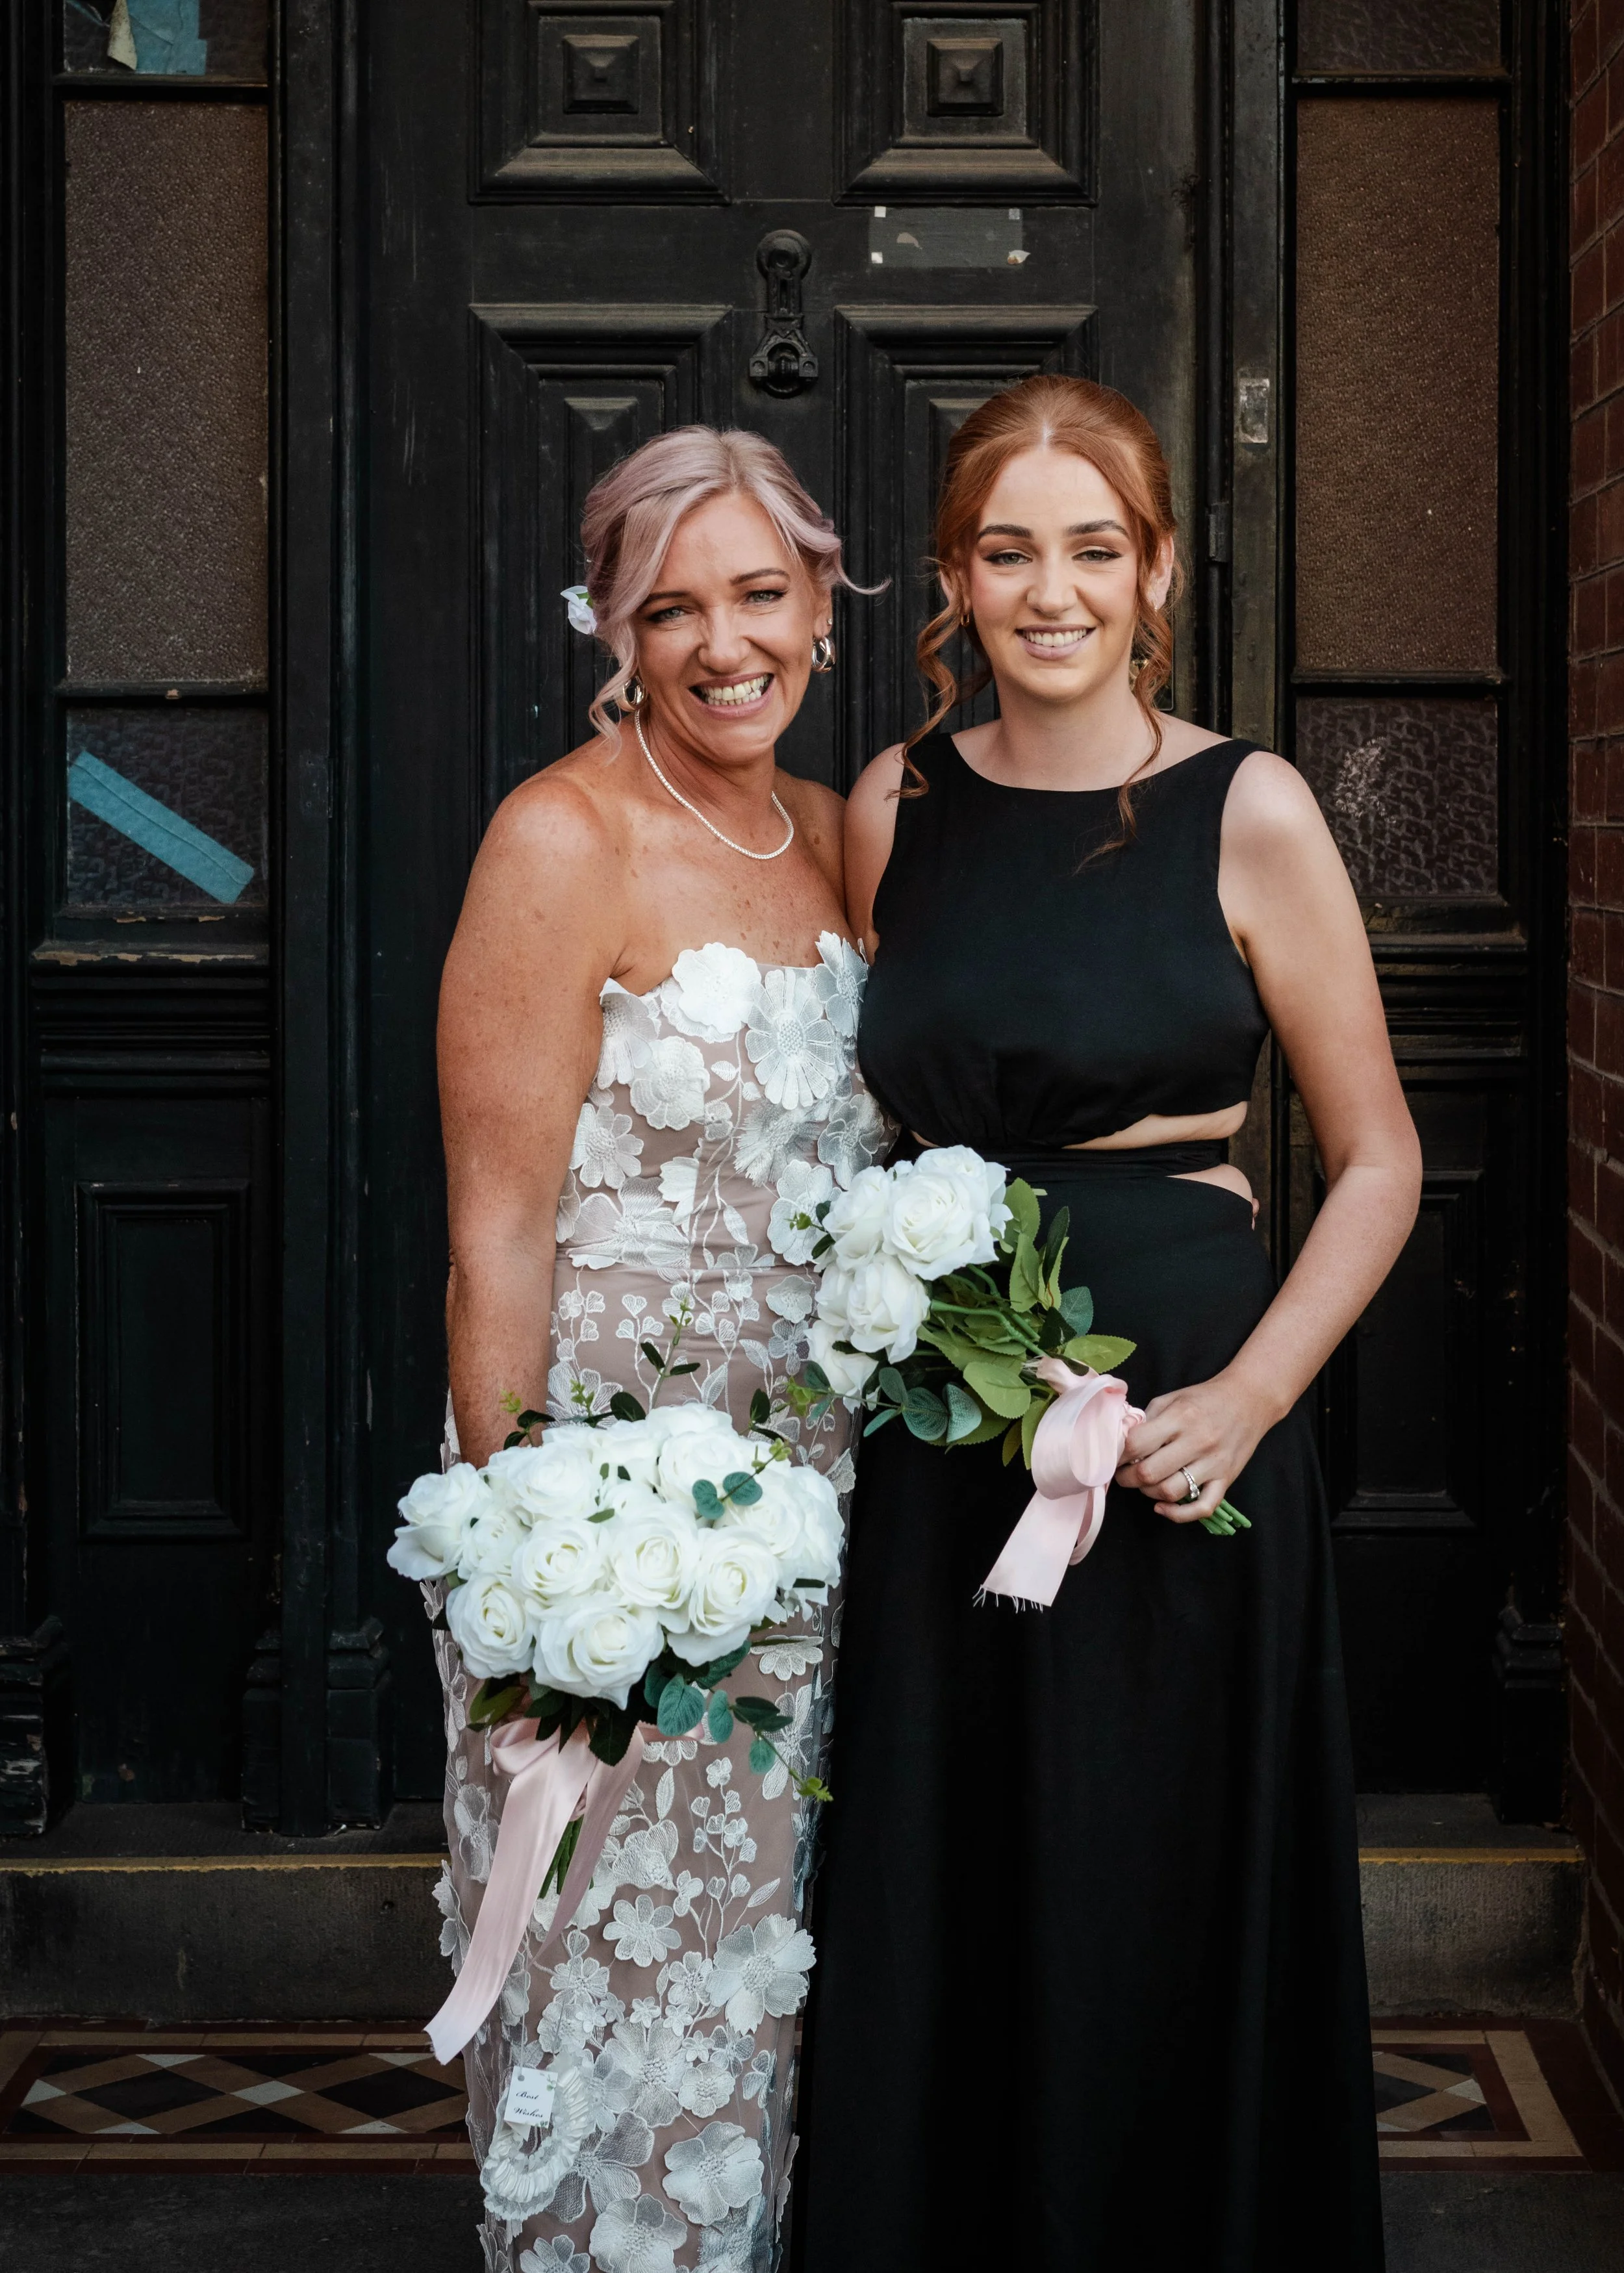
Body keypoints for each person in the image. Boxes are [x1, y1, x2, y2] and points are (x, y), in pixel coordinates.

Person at [796, 374, 1417, 2272]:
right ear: (953, 580)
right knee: (952, 1875)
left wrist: (1250, 1395)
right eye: (1006, 552)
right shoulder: (898, 800)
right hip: (939, 1430)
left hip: (1175, 1438)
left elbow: (1377, 1159)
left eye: (1089, 549)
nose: (1046, 590)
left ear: (1154, 572)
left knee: (1149, 1882)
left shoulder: (1249, 808)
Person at [431, 425, 891, 2270]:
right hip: (616, 1513)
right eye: (671, 607)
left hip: (824, 1499)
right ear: (610, 630)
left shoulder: (845, 839)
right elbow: (496, 1223)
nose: (724, 644)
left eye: (759, 596)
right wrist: (532, 1582)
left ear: (821, 608)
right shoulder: (559, 837)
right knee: (614, 1966)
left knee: (781, 1959)